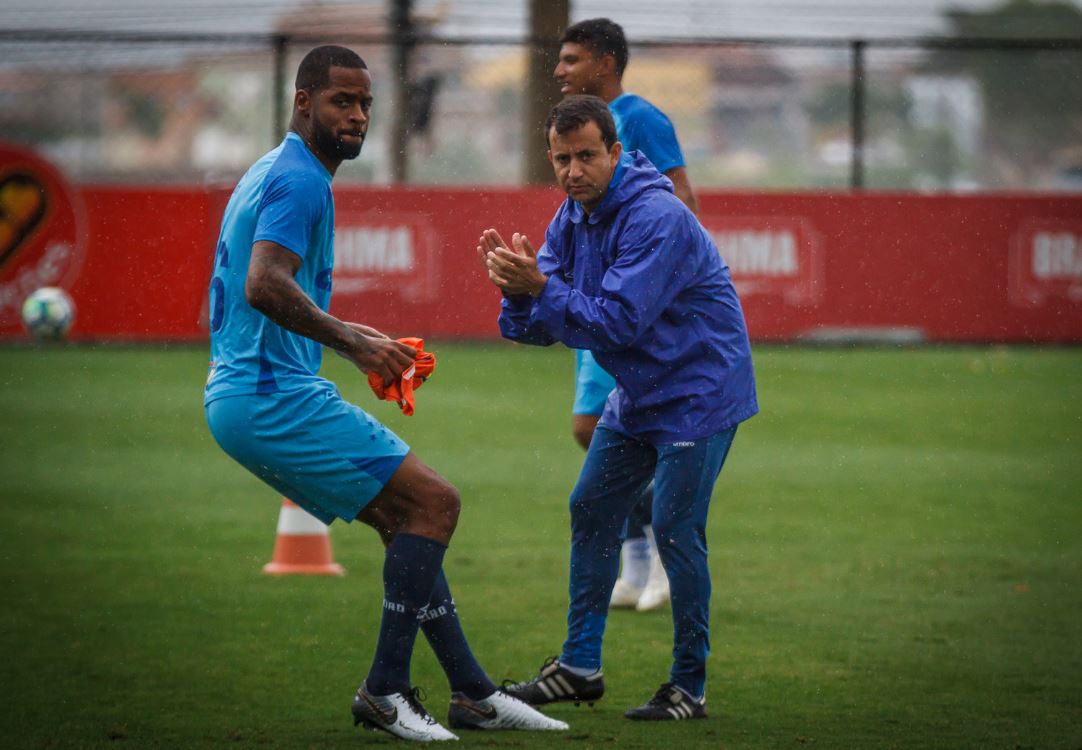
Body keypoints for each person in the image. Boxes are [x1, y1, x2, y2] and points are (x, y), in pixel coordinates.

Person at [203, 45, 568, 743]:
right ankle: (385, 690)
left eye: (366, 104)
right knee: (435, 503)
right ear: (303, 100)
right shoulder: (302, 181)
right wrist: (352, 343)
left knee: (410, 520)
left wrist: (361, 340)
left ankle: (475, 696)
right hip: (268, 396)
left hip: (249, 393)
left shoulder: (271, 168)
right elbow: (263, 284)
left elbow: (268, 297)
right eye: (342, 101)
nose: (357, 116)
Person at [477, 95, 757, 720]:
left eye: (585, 156)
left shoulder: (656, 216)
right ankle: (579, 667)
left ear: (616, 154)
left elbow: (619, 321)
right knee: (592, 506)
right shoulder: (571, 217)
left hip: (701, 391)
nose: (573, 171)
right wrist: (515, 289)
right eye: (561, 159)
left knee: (677, 530)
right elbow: (533, 328)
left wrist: (541, 289)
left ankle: (689, 687)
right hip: (641, 391)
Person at [555, 17, 700, 612]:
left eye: (571, 59)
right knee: (589, 428)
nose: (559, 70)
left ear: (605, 64)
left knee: (632, 431)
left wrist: (651, 280)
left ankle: (663, 556)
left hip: (632, 304)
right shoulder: (574, 131)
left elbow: (682, 199)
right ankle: (637, 562)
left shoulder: (641, 118)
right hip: (600, 299)